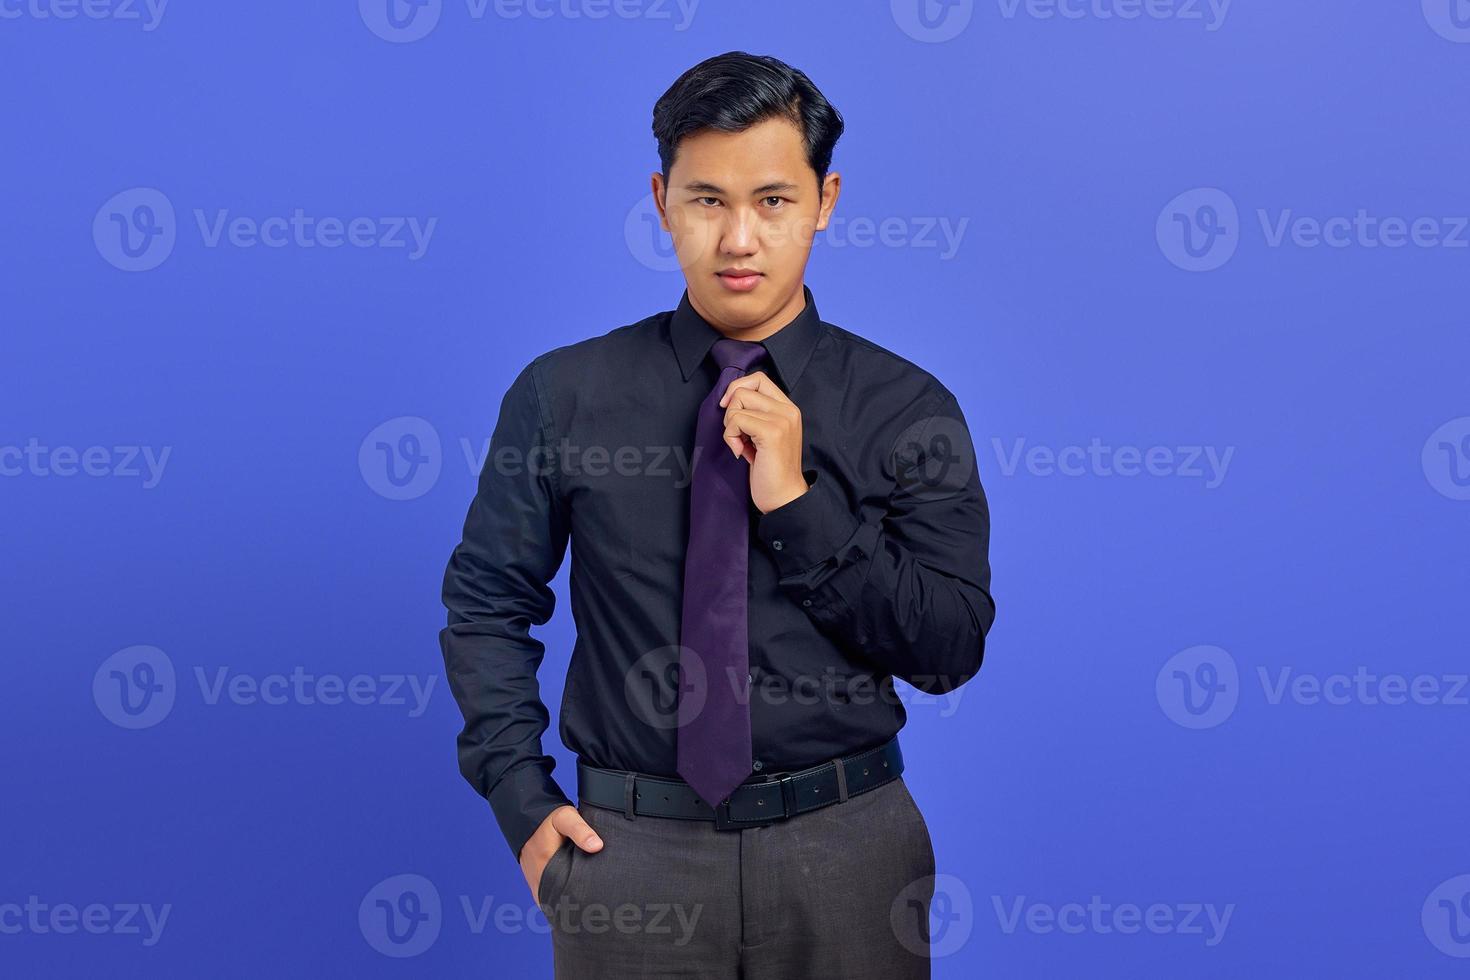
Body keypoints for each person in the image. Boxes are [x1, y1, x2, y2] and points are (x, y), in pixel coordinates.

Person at [439, 50, 995, 979]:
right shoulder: (562, 395)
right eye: (708, 201)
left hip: (849, 853)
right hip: (630, 857)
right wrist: (520, 802)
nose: (739, 238)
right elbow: (486, 605)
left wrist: (798, 505)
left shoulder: (907, 408)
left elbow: (949, 649)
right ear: (661, 201)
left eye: (773, 200)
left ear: (826, 200)